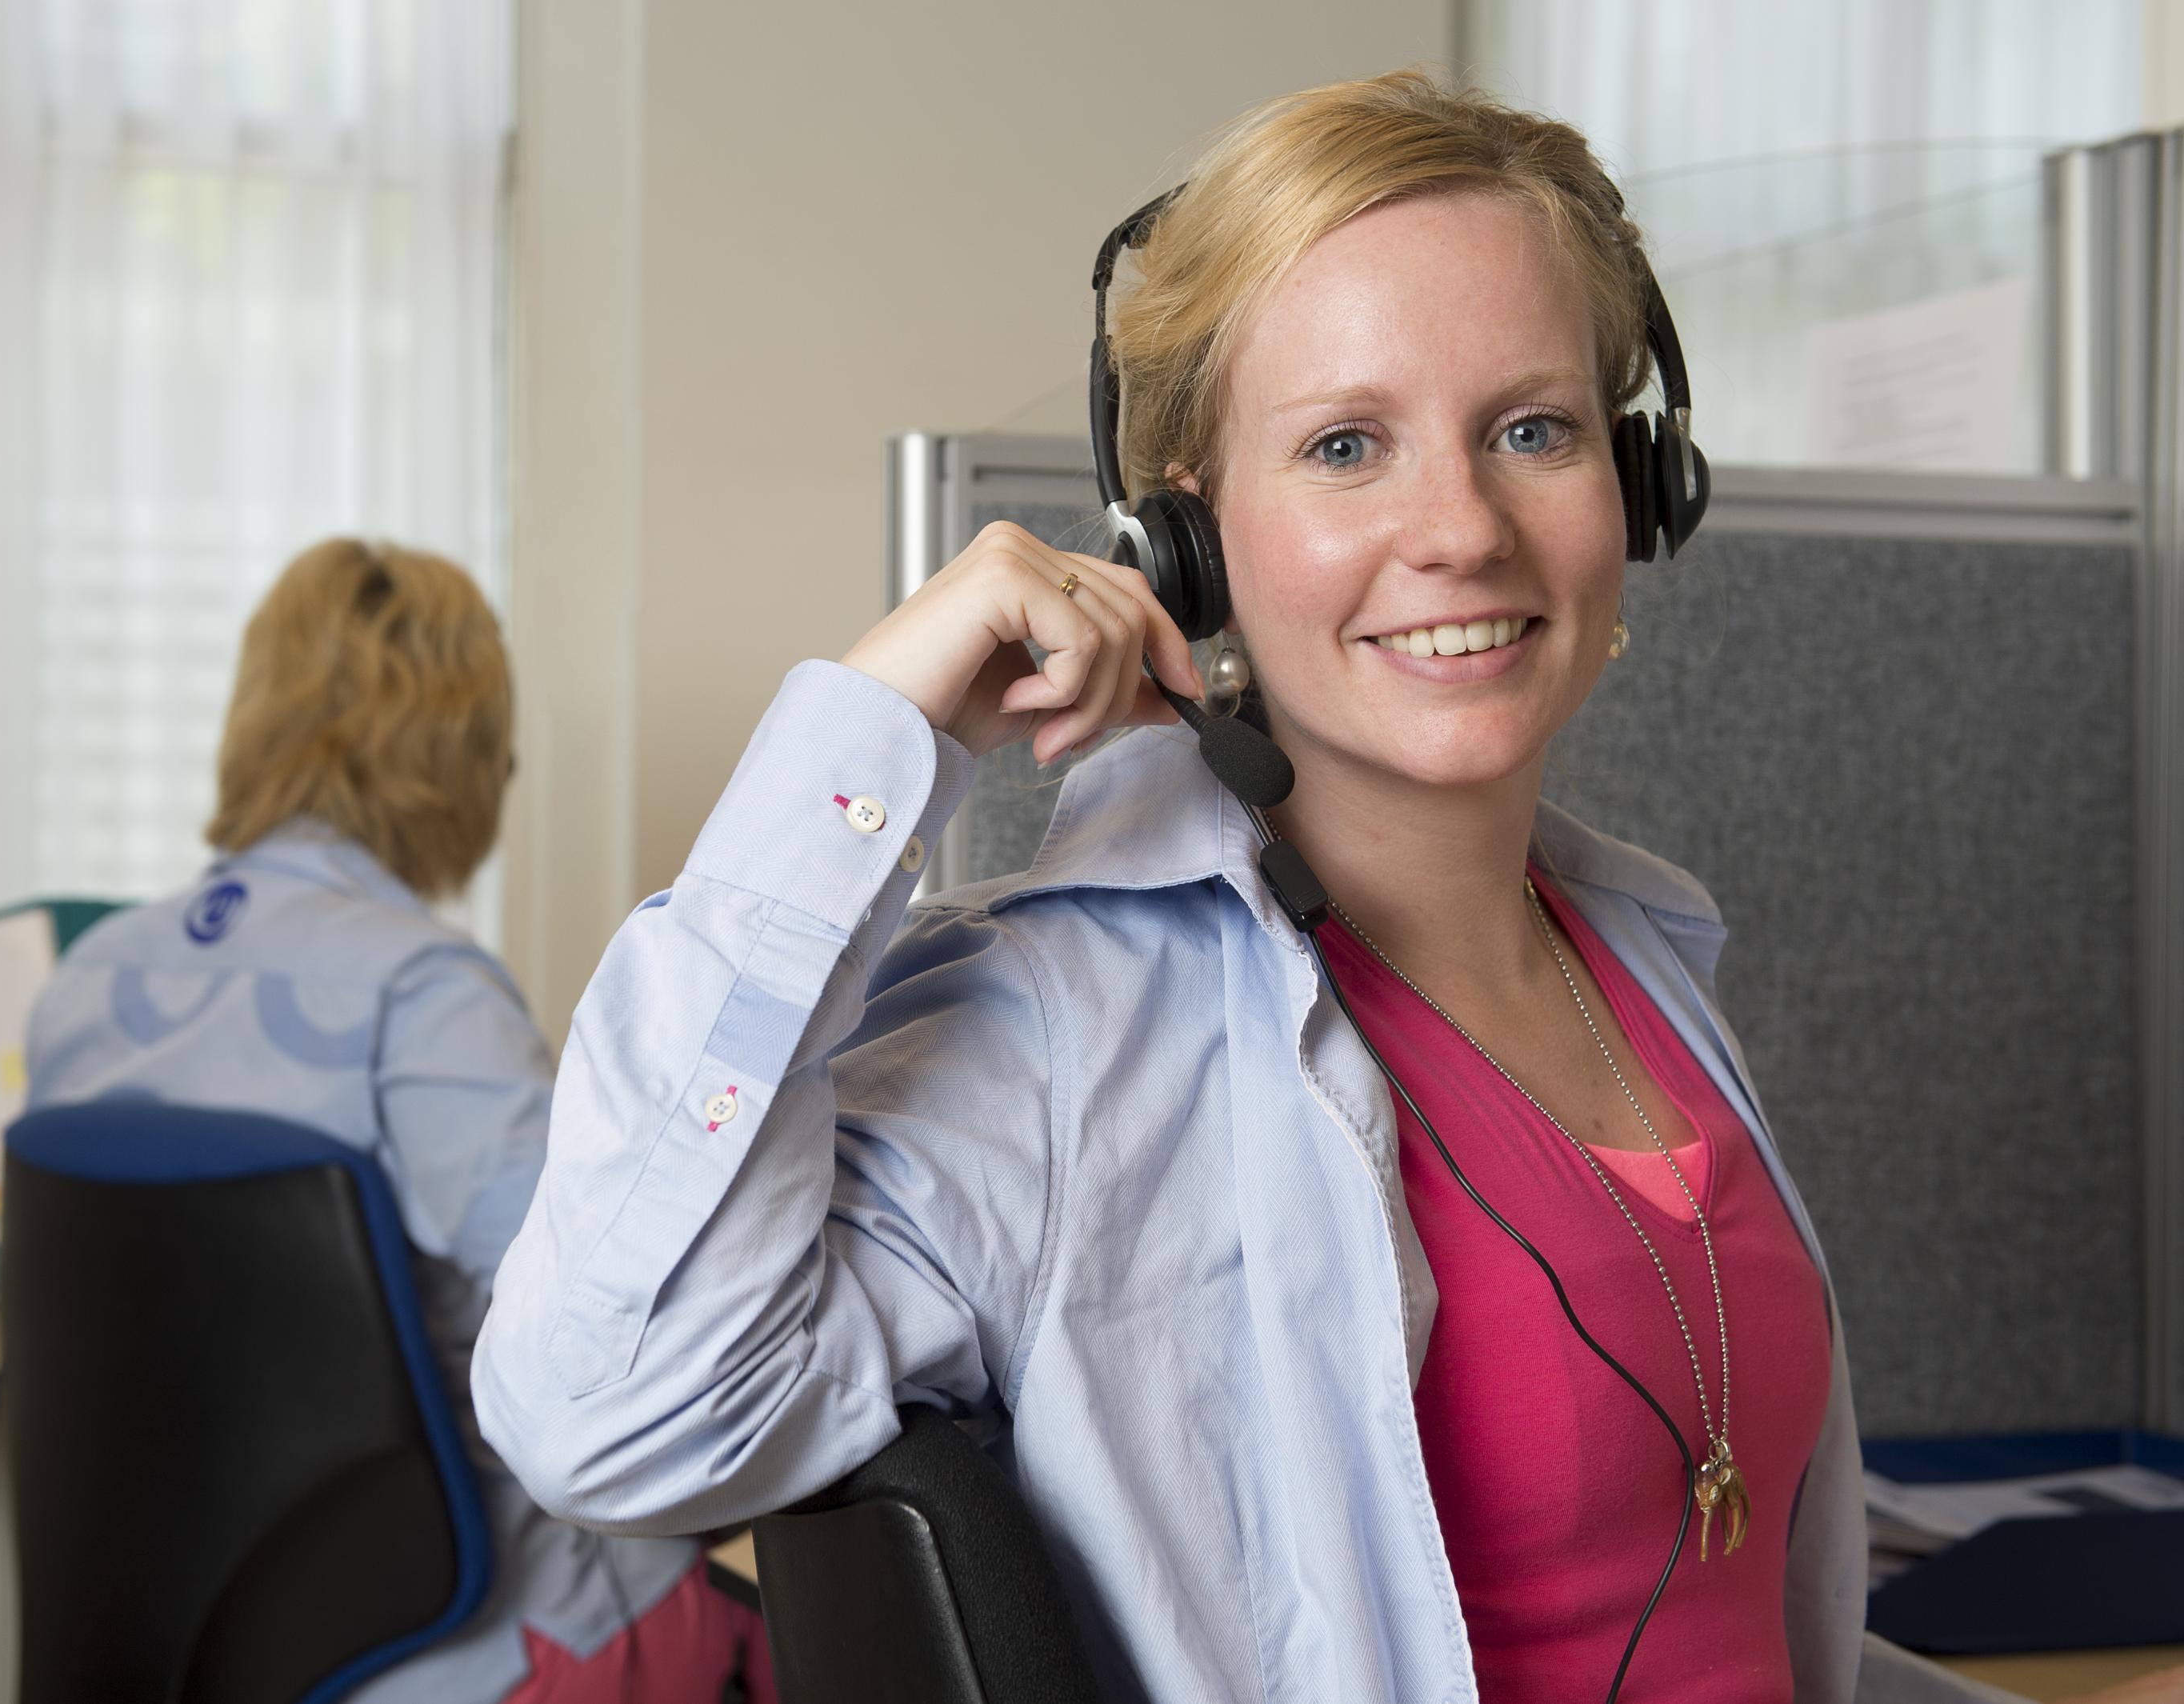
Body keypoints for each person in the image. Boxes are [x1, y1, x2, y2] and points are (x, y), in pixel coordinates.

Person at [470, 74, 2184, 1704]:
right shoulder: (1075, 1035)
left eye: (1532, 428)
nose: (1459, 529)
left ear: (1635, 486)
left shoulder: (1644, 964)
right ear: (1187, 542)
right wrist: (872, 733)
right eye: (1347, 447)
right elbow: (609, 1412)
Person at [25, 538, 774, 1704]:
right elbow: (603, 1322)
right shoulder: (417, 993)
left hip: (195, 1637)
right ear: (461, 754)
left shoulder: (87, 980)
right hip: (475, 1639)